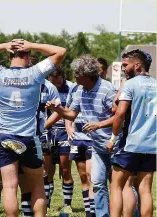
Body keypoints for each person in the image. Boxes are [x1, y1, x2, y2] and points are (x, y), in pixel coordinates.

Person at [0, 39, 66, 217]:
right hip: (28, 137)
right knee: (37, 186)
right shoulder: (35, 73)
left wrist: (3, 45)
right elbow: (60, 51)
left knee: (9, 186)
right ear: (29, 56)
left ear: (10, 55)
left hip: (3, 137)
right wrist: (32, 44)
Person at [46, 55, 117, 217]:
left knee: (118, 183)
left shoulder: (107, 89)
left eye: (77, 74)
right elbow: (71, 114)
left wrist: (99, 125)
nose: (74, 77)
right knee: (97, 183)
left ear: (86, 74)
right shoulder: (80, 90)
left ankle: (132, 211)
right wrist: (58, 109)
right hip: (96, 146)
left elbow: (119, 117)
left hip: (111, 144)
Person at [108, 49, 156, 217]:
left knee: (116, 186)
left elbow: (119, 113)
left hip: (130, 144)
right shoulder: (156, 84)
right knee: (145, 190)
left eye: (125, 65)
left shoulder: (130, 84)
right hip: (151, 146)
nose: (123, 68)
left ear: (137, 65)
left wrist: (113, 139)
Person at [44, 68, 75, 216]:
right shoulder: (45, 87)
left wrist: (70, 126)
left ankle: (67, 205)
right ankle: (47, 203)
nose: (56, 85)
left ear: (63, 77)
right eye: (53, 82)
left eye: (58, 82)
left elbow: (74, 111)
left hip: (64, 132)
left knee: (65, 169)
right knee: (47, 170)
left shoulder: (71, 87)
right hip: (48, 132)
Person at [65, 84, 94, 217]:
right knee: (83, 176)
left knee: (92, 176)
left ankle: (94, 211)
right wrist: (68, 127)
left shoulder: (103, 87)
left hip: (93, 139)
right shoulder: (75, 89)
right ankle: (88, 211)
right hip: (78, 139)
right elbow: (68, 109)